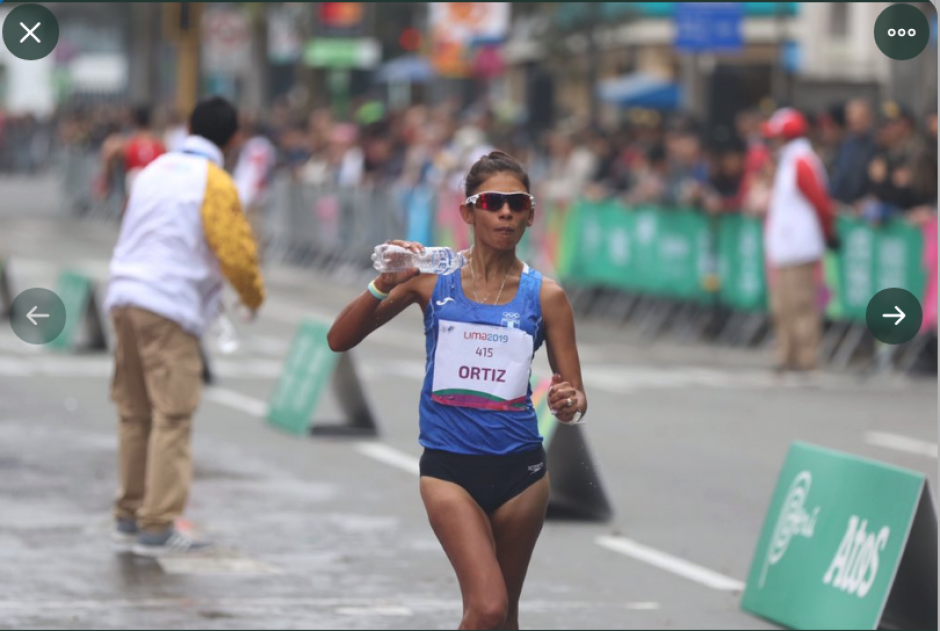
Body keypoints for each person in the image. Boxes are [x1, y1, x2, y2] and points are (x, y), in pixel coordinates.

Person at [327, 151, 587, 630]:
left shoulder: (547, 295)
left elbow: (574, 399)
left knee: (503, 617)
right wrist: (384, 285)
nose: (504, 212)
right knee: (486, 607)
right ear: (468, 212)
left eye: (516, 202)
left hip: (522, 474)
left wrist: (568, 402)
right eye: (492, 201)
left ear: (531, 214)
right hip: (449, 470)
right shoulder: (428, 279)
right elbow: (339, 339)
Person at [104, 97, 265, 556]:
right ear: (235, 139)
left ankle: (130, 514)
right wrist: (253, 296)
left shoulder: (156, 168)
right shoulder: (215, 181)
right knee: (172, 416)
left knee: (135, 412)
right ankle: (158, 523)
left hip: (124, 295)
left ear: (190, 126)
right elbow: (235, 251)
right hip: (168, 305)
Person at [762, 108, 837, 376]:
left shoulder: (802, 161)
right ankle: (787, 355)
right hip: (786, 246)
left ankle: (806, 358)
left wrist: (828, 232)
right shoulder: (789, 160)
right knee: (783, 306)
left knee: (802, 305)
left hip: (800, 245)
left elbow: (819, 201)